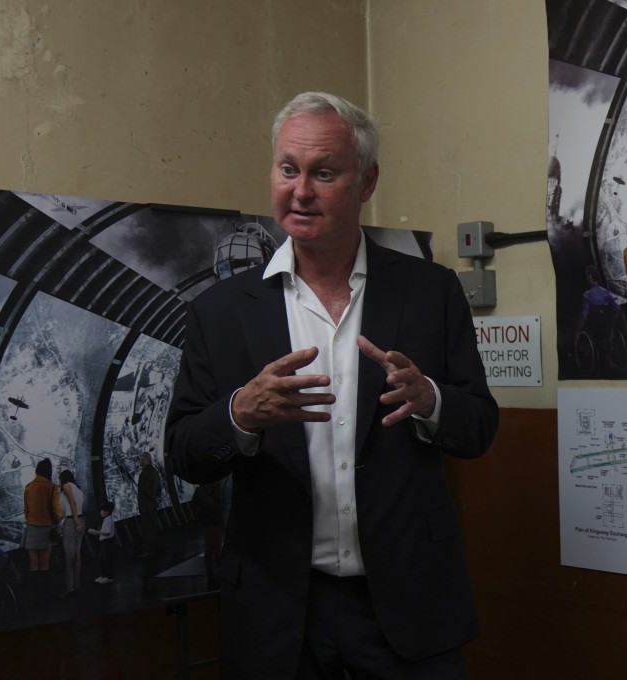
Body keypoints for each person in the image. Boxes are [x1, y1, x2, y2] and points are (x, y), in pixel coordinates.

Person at [165, 91, 499, 679]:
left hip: (408, 606)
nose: (300, 190)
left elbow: (478, 428)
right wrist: (242, 413)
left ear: (367, 182)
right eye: (288, 169)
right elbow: (185, 452)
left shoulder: (430, 292)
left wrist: (432, 402)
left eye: (324, 173)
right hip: (277, 613)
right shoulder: (220, 312)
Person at [23, 458, 62, 599]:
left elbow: (26, 511)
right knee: (45, 563)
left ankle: (35, 596)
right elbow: (57, 511)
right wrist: (57, 521)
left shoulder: (28, 487)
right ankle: (43, 595)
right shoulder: (52, 487)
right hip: (47, 529)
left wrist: (32, 520)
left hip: (32, 529)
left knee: (34, 564)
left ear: (37, 471)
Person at [57, 470, 84, 598]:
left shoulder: (66, 486)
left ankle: (69, 587)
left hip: (72, 521)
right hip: (80, 519)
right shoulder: (78, 489)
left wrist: (76, 522)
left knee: (69, 555)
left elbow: (71, 504)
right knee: (77, 554)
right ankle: (76, 585)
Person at [193, 481, 224, 590]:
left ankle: (214, 579)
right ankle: (214, 580)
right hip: (213, 519)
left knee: (213, 548)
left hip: (210, 520)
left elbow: (196, 505)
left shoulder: (201, 489)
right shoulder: (212, 486)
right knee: (213, 548)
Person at [137, 452, 161, 557]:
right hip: (152, 506)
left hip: (146, 506)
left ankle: (149, 551)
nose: (139, 461)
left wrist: (154, 499)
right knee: (153, 527)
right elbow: (159, 487)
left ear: (144, 460)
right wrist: (157, 499)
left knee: (147, 530)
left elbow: (146, 490)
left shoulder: (144, 474)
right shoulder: (154, 471)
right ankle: (155, 548)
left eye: (140, 459)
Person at [88, 501, 116, 584]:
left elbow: (107, 532)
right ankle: (104, 575)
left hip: (107, 543)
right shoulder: (106, 519)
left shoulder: (109, 520)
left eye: (102, 510)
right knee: (102, 560)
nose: (100, 512)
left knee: (107, 560)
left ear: (106, 511)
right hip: (104, 543)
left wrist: (96, 532)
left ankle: (109, 577)